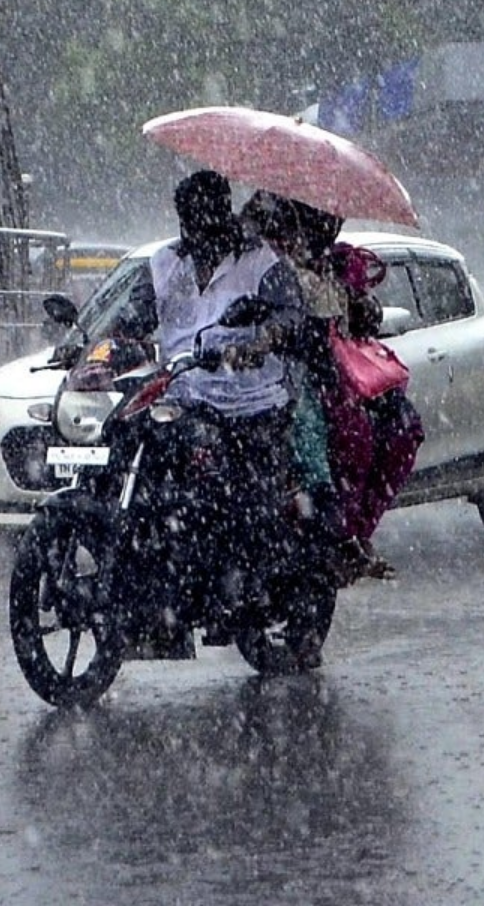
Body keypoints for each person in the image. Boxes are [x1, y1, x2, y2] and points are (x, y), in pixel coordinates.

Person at [118, 170, 309, 627]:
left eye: (209, 217)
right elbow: (131, 317)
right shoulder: (165, 263)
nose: (201, 230)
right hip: (184, 395)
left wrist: (259, 344)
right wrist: (96, 348)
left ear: (223, 213)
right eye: (191, 219)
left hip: (251, 403)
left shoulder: (260, 262)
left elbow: (292, 315)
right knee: (136, 455)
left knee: (235, 499)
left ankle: (246, 584)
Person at [243, 190, 419, 584]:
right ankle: (336, 534)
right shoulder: (258, 261)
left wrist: (356, 305)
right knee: (330, 440)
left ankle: (348, 532)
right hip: (279, 376)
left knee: (391, 429)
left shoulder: (334, 265)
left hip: (327, 375)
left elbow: (352, 318)